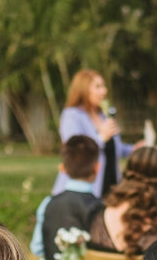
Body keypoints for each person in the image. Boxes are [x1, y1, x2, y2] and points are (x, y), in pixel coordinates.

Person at [52, 70, 137, 198]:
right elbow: (75, 151)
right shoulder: (72, 116)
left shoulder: (104, 116)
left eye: (103, 86)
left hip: (111, 187)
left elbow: (113, 149)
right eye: (98, 87)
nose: (104, 91)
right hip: (85, 191)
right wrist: (101, 137)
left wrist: (134, 149)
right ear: (83, 89)